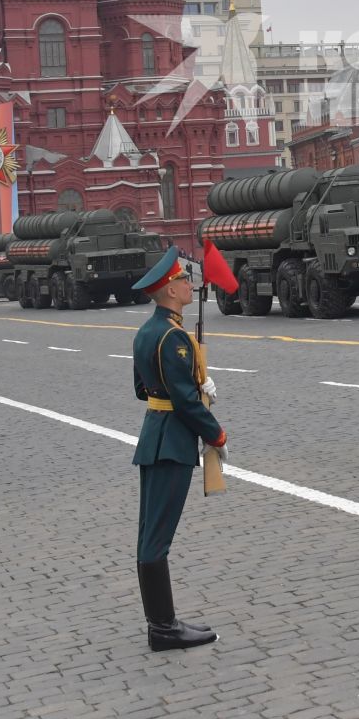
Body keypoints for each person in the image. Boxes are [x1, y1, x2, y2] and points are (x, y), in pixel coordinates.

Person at [128, 246, 225, 651]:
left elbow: (141, 389)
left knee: (149, 533)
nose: (189, 284)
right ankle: (164, 629)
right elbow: (184, 402)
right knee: (157, 539)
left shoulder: (148, 331)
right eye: (184, 280)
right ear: (169, 291)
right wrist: (215, 432)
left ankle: (161, 623)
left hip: (154, 434)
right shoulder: (173, 336)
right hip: (172, 442)